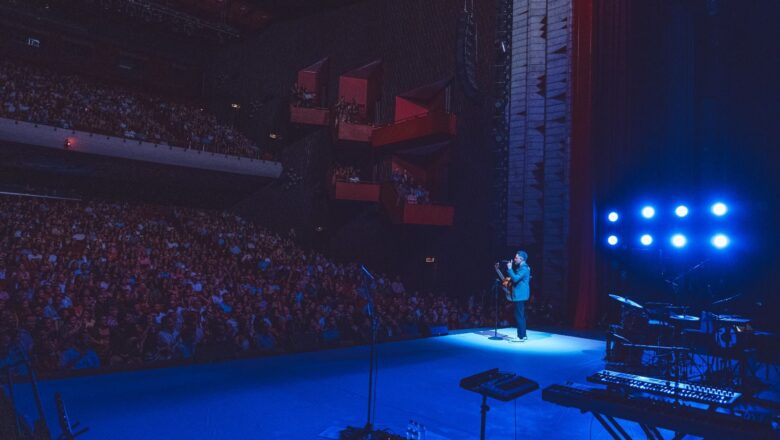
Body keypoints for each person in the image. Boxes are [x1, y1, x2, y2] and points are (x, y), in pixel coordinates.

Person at [506, 250, 531, 341]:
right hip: (520, 295)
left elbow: (516, 279)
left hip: (520, 295)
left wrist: (509, 268)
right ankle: (523, 335)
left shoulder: (524, 268)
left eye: (516, 258)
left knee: (519, 315)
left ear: (521, 258)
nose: (514, 259)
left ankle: (520, 336)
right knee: (520, 315)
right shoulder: (524, 268)